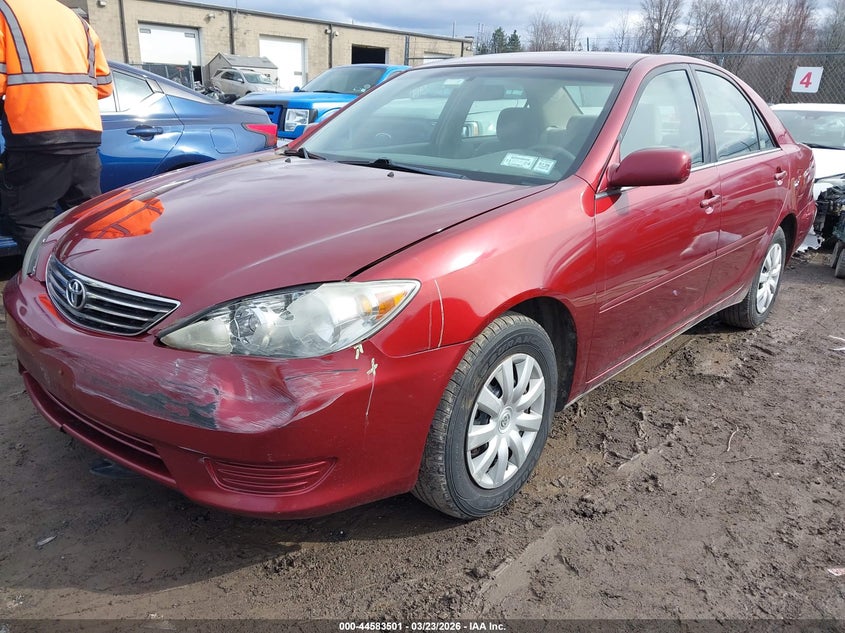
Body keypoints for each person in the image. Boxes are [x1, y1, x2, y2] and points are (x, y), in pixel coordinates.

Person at [0, 0, 113, 254]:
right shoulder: (77, 21)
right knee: (87, 221)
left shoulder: (5, 11)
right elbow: (104, 86)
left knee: (29, 222)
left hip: (35, 137)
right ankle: (87, 271)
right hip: (85, 137)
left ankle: (42, 276)